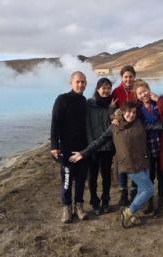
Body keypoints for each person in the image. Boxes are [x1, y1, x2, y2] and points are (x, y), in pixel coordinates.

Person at [69, 101, 163, 228]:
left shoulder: (140, 124)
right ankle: (129, 212)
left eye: (134, 112)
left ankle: (131, 215)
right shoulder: (114, 127)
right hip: (128, 164)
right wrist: (83, 153)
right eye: (128, 112)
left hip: (143, 162)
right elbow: (99, 141)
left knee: (142, 190)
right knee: (149, 189)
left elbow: (158, 126)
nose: (131, 114)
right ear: (122, 112)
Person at [133, 79, 163, 217]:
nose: (143, 94)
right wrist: (114, 115)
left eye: (145, 90)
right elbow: (124, 115)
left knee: (162, 176)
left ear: (149, 90)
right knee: (149, 178)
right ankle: (150, 204)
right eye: (140, 93)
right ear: (136, 95)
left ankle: (160, 206)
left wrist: (159, 99)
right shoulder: (137, 109)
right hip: (147, 149)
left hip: (162, 147)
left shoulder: (158, 104)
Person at [50, 71, 89, 223]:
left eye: (83, 82)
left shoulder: (84, 101)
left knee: (80, 180)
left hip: (82, 148)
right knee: (66, 180)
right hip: (66, 148)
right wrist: (54, 145)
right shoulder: (62, 99)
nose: (81, 85)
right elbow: (55, 122)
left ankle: (78, 207)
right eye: (78, 82)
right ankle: (66, 208)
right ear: (71, 82)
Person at [86, 77, 117, 215]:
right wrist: (91, 143)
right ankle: (94, 201)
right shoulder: (89, 104)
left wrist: (111, 110)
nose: (106, 91)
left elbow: (113, 124)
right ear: (98, 89)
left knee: (106, 175)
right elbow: (86, 125)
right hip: (92, 147)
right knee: (92, 176)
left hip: (108, 147)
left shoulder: (112, 105)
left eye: (108, 88)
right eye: (103, 88)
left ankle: (105, 200)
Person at [111, 65, 138, 206]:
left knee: (134, 160)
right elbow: (110, 109)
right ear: (122, 78)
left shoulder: (137, 90)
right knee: (122, 161)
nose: (128, 79)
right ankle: (123, 193)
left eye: (130, 76)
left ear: (134, 77)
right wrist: (112, 117)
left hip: (135, 129)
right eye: (125, 76)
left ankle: (134, 191)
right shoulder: (116, 91)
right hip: (120, 130)